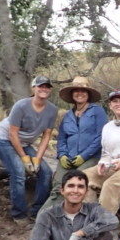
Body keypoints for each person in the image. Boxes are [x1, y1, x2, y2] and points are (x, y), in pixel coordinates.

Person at [0, 76, 58, 220]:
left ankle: (36, 212)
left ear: (50, 90)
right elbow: (12, 133)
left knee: (45, 172)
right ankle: (19, 214)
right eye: (40, 86)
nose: (44, 89)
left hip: (25, 143)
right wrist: (25, 158)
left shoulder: (52, 110)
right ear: (34, 88)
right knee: (19, 171)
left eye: (47, 87)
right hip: (3, 139)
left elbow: (46, 136)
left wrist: (37, 159)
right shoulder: (21, 105)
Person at [44, 77, 108, 210]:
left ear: (88, 93)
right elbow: (62, 138)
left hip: (91, 158)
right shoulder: (67, 115)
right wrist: (62, 155)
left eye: (83, 90)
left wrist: (83, 156)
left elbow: (101, 136)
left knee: (74, 182)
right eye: (76, 91)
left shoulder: (97, 111)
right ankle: (45, 218)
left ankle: (65, 217)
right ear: (72, 94)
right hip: (69, 157)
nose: (80, 93)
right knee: (58, 186)